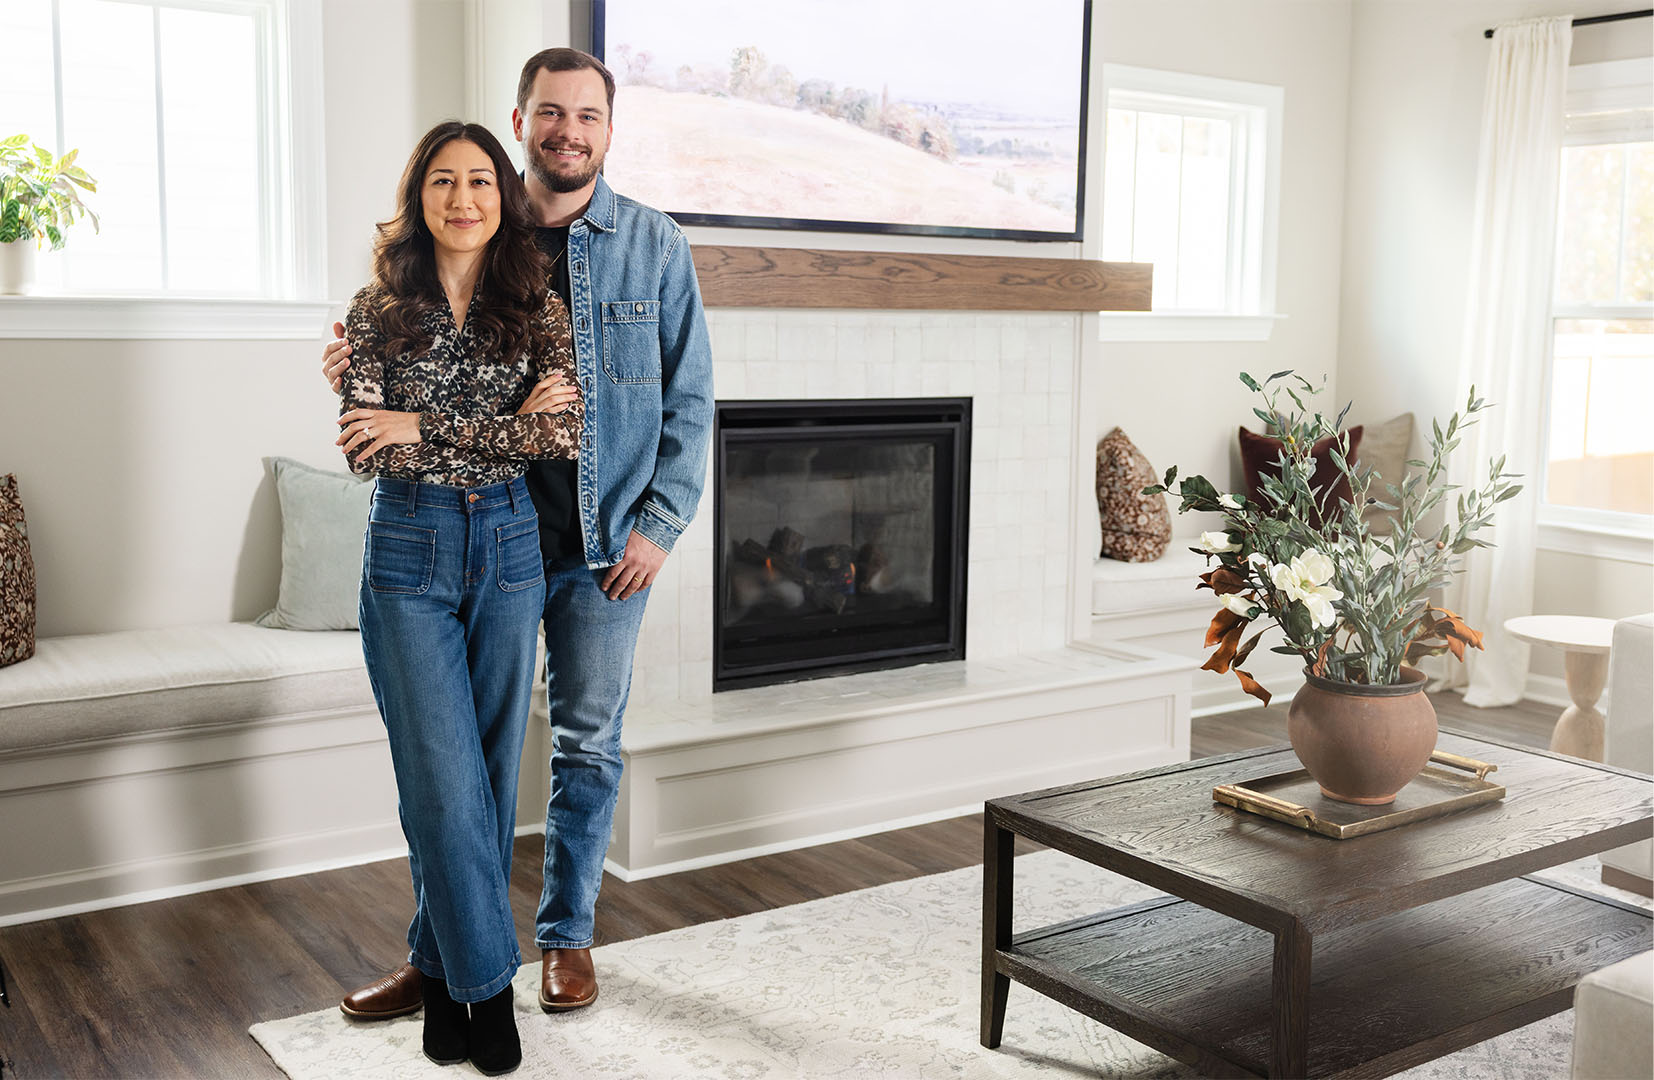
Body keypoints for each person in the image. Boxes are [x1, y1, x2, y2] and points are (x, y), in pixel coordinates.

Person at [328, 48, 715, 1020]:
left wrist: (660, 528)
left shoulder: (655, 247)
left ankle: (566, 936)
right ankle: (445, 952)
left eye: (587, 116)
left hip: (603, 548)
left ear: (609, 131)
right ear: (520, 119)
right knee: (459, 765)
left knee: (586, 743)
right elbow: (390, 400)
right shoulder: (472, 237)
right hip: (480, 542)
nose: (568, 132)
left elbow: (692, 400)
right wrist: (355, 365)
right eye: (551, 113)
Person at [339, 120, 584, 1074]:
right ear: (419, 197)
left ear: (504, 196)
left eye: (481, 180)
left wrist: (425, 419)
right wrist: (496, 426)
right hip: (409, 546)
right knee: (442, 781)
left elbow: (558, 438)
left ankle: (440, 973)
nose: (465, 198)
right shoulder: (374, 308)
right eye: (444, 181)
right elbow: (373, 448)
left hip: (512, 545)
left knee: (484, 782)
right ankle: (489, 990)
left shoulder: (537, 304)